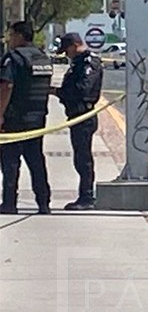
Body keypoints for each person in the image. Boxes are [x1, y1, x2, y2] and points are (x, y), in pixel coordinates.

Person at [0, 21, 53, 215]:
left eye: (11, 35)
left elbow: (7, 86)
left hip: (15, 118)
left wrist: (0, 115)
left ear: (20, 36)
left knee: (10, 162)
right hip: (37, 119)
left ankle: (9, 203)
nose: (9, 39)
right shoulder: (43, 58)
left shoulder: (13, 58)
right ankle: (44, 202)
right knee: (36, 161)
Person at [54, 33, 103, 210]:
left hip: (84, 114)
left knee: (83, 159)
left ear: (75, 45)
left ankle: (87, 197)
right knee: (79, 157)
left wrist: (60, 93)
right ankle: (84, 194)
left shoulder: (89, 61)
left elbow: (83, 89)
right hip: (76, 114)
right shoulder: (78, 62)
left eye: (67, 50)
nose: (67, 55)